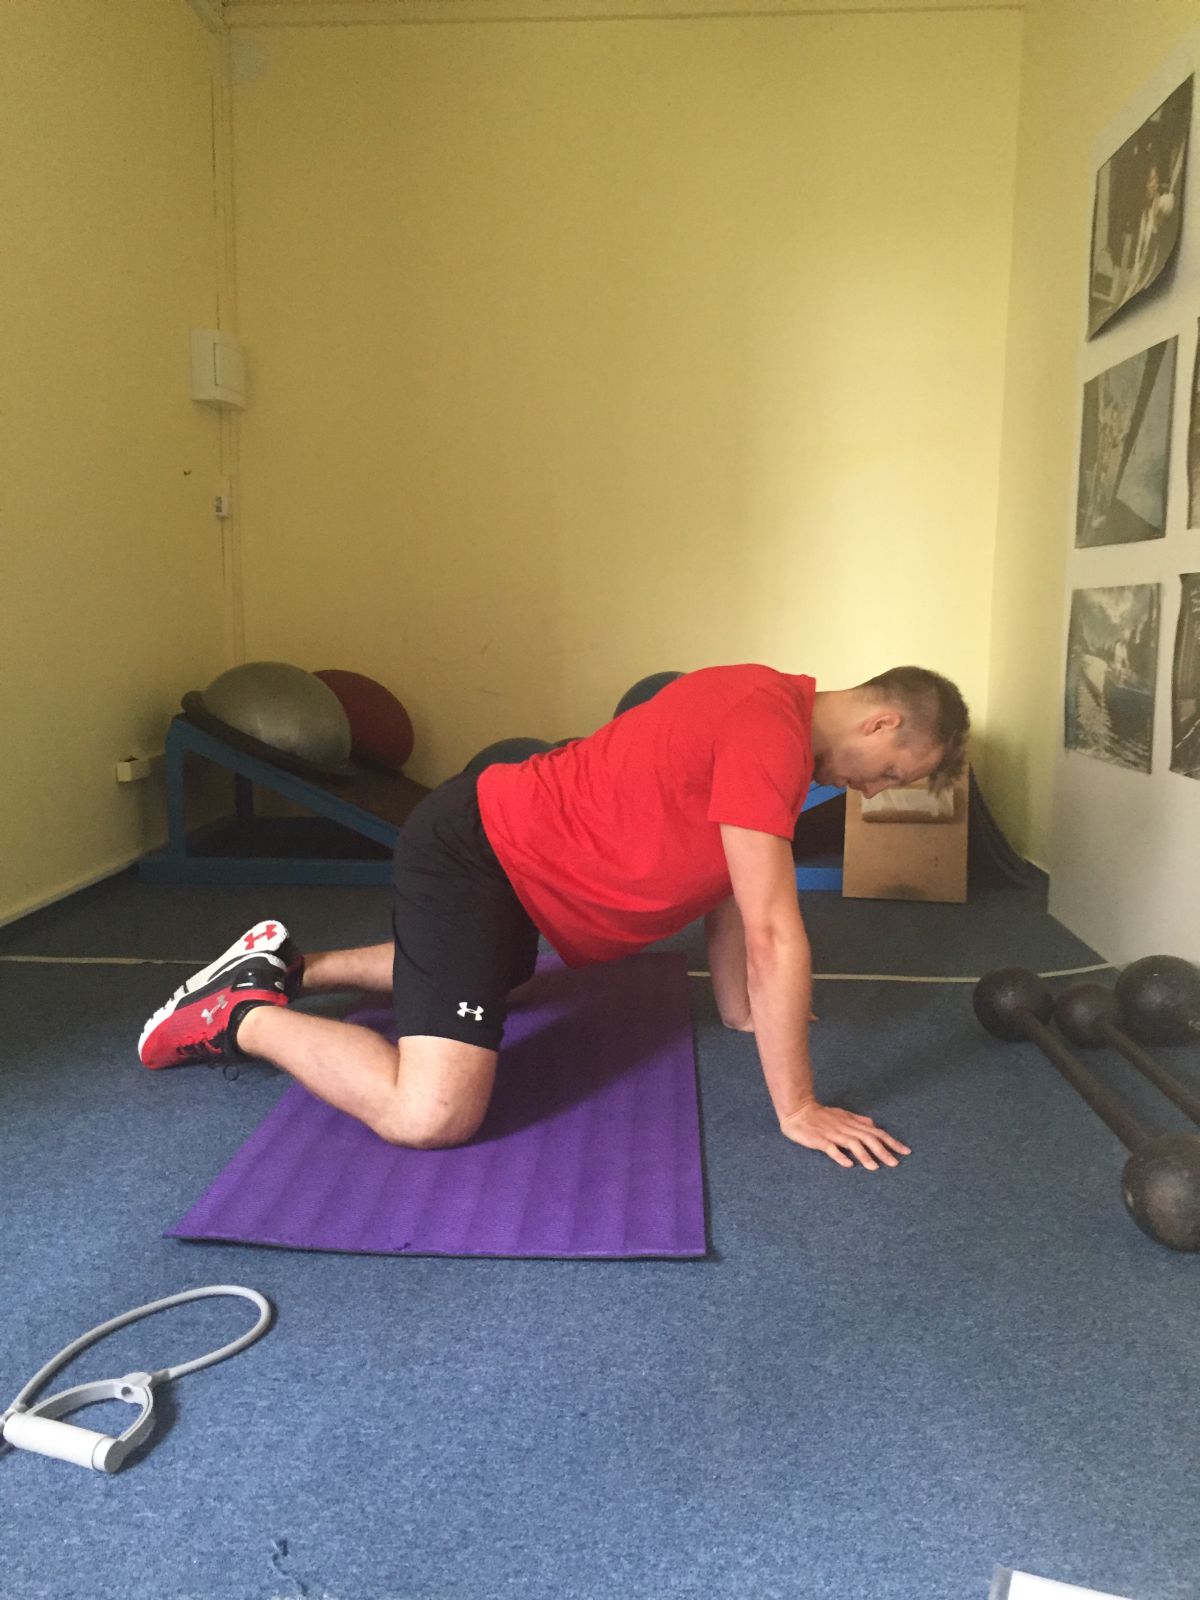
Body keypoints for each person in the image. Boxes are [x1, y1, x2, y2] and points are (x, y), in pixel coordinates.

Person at [138, 663, 969, 1171]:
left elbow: (725, 885)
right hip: (476, 853)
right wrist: (798, 1108)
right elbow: (772, 932)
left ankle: (289, 967)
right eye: (891, 771)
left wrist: (740, 1010)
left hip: (513, 864)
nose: (874, 791)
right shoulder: (768, 730)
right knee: (430, 1116)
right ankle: (237, 1016)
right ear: (881, 721)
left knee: (498, 977)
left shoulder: (775, 720)